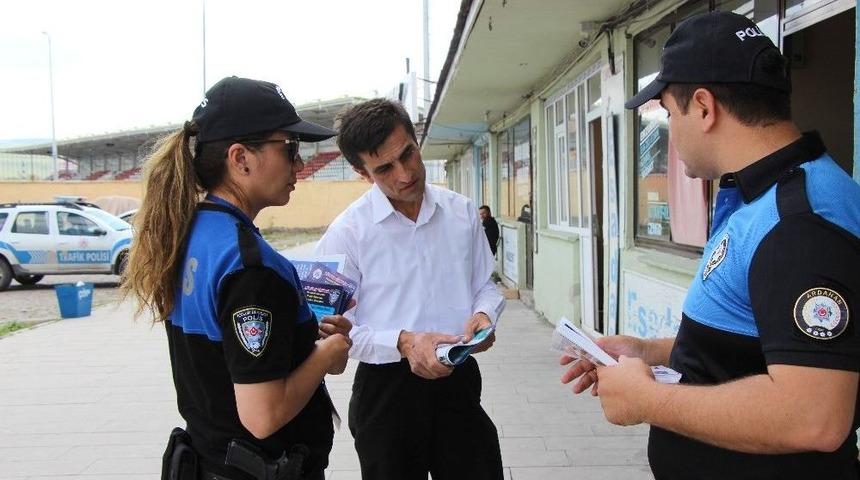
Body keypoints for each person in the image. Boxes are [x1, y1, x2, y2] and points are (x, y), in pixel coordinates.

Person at [561, 11, 859, 480]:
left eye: (669, 113)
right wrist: (649, 352)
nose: (670, 134)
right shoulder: (761, 197)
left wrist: (647, 400)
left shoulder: (797, 224)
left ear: (703, 107)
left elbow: (814, 416)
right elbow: (752, 343)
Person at [122, 76, 353, 480]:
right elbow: (262, 416)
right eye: (289, 148)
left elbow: (225, 355)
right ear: (241, 158)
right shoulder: (251, 267)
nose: (298, 165)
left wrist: (302, 340)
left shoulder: (189, 233)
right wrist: (324, 356)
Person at [315, 98, 506, 480]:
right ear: (361, 172)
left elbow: (484, 283)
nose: (404, 175)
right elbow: (333, 330)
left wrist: (484, 315)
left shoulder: (462, 211)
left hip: (458, 380)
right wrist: (403, 342)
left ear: (417, 141)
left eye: (408, 155)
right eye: (384, 168)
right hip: (386, 394)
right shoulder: (345, 234)